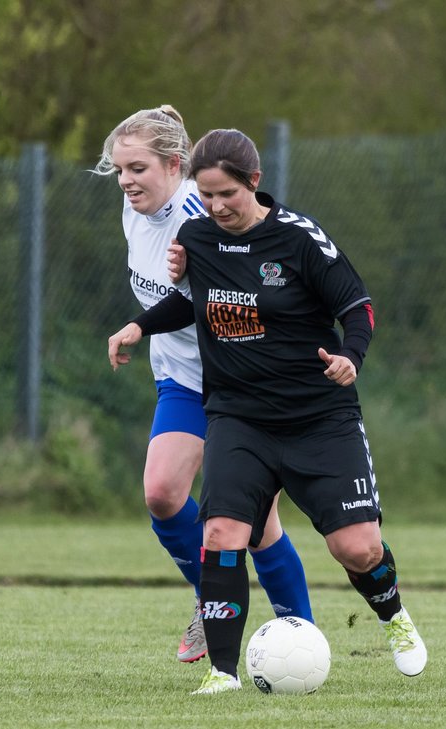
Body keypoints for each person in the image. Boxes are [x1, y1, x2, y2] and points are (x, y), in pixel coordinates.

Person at [107, 128, 427, 694]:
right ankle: (222, 673)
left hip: (317, 417)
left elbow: (358, 306)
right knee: (222, 532)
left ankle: (393, 617)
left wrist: (351, 356)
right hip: (238, 415)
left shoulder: (301, 240)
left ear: (254, 183)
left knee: (356, 547)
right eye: (206, 196)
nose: (216, 207)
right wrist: (139, 325)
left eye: (226, 194)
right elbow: (189, 299)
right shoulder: (199, 237)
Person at [92, 107, 314, 665]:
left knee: (258, 524)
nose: (126, 181)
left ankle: (302, 641)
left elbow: (249, 284)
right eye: (119, 170)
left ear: (174, 165)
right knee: (163, 493)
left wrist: (184, 285)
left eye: (137, 168)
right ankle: (208, 596)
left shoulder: (206, 214)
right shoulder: (133, 205)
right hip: (182, 379)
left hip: (243, 380)